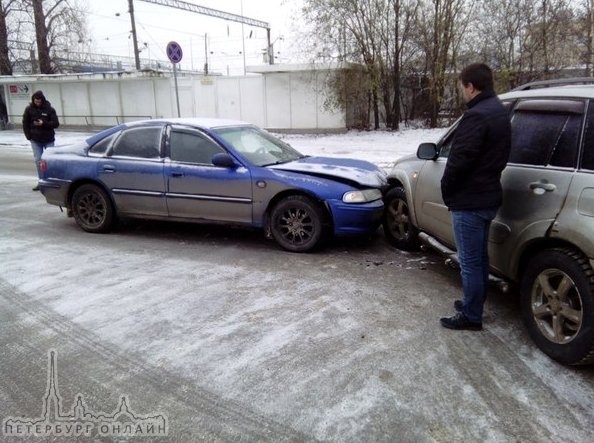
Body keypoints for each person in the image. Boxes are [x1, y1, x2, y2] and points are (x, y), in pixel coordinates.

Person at [439, 63, 511, 331]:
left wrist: (447, 188)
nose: (462, 92)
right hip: (489, 196)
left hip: (470, 201)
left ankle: (471, 316)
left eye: (462, 87)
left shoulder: (477, 116)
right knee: (479, 257)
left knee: (469, 262)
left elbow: (459, 160)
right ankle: (473, 302)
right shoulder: (499, 112)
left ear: (470, 86)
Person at [22, 90, 60, 191]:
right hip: (35, 140)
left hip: (48, 139)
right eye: (36, 101)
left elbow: (56, 123)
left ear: (42, 100)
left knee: (50, 161)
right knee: (39, 161)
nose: (37, 103)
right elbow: (25, 123)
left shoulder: (49, 109)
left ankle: (52, 181)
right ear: (33, 100)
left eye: (39, 101)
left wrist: (44, 123)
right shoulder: (29, 109)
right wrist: (28, 136)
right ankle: (42, 181)